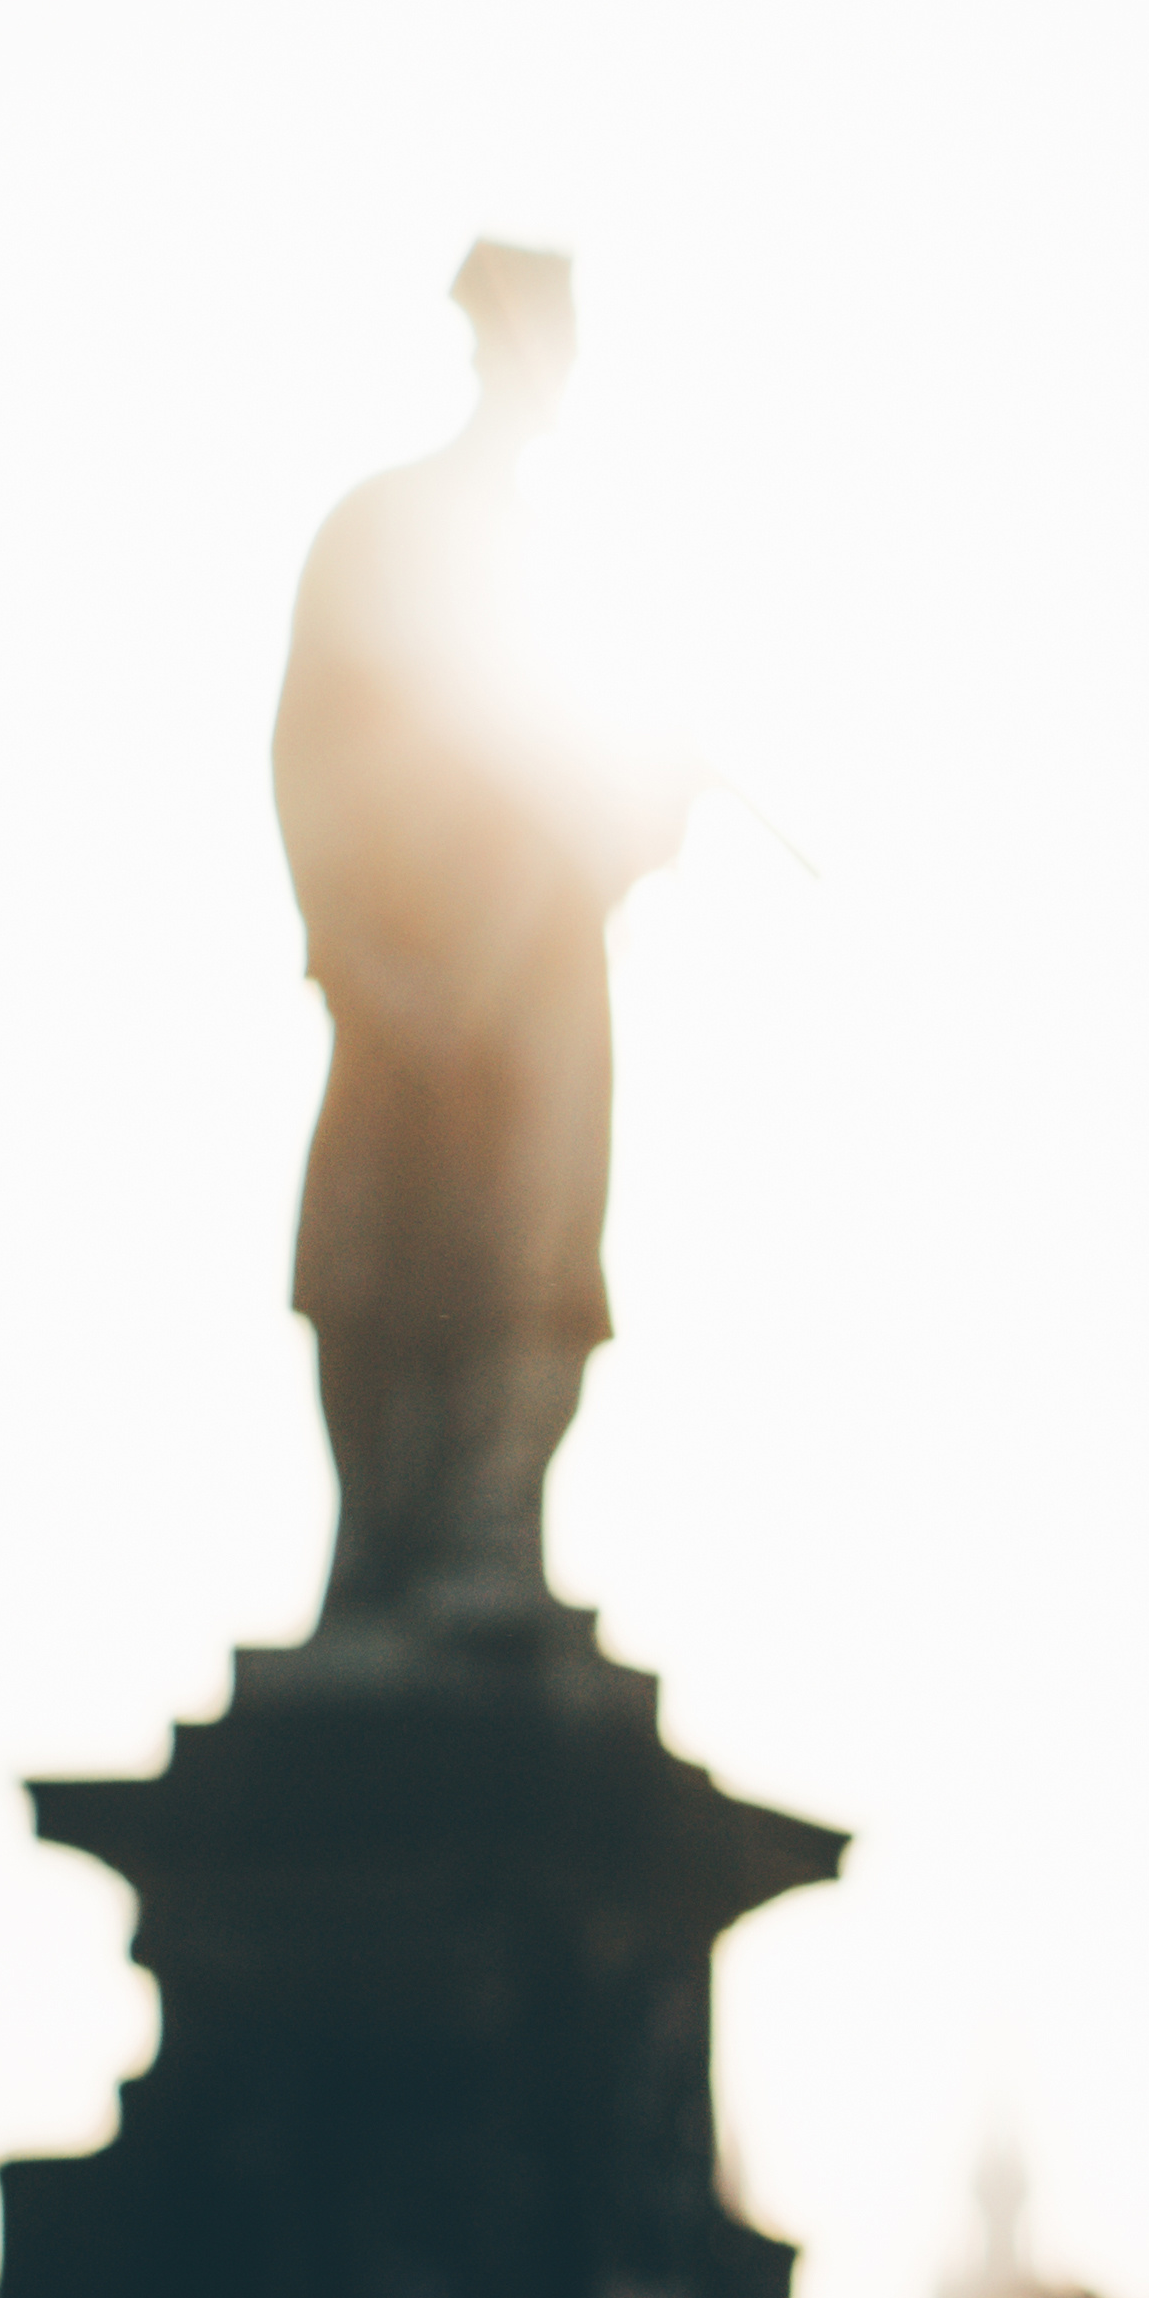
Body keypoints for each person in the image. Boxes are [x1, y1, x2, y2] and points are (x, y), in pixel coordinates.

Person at [275, 239, 697, 1645]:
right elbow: (315, 754)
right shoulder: (385, 529)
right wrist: (365, 952)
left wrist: (654, 788)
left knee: (535, 1258)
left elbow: (627, 811)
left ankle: (490, 1534)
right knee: (384, 1261)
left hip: (543, 982)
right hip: (411, 969)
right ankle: (383, 1548)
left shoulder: (585, 566)